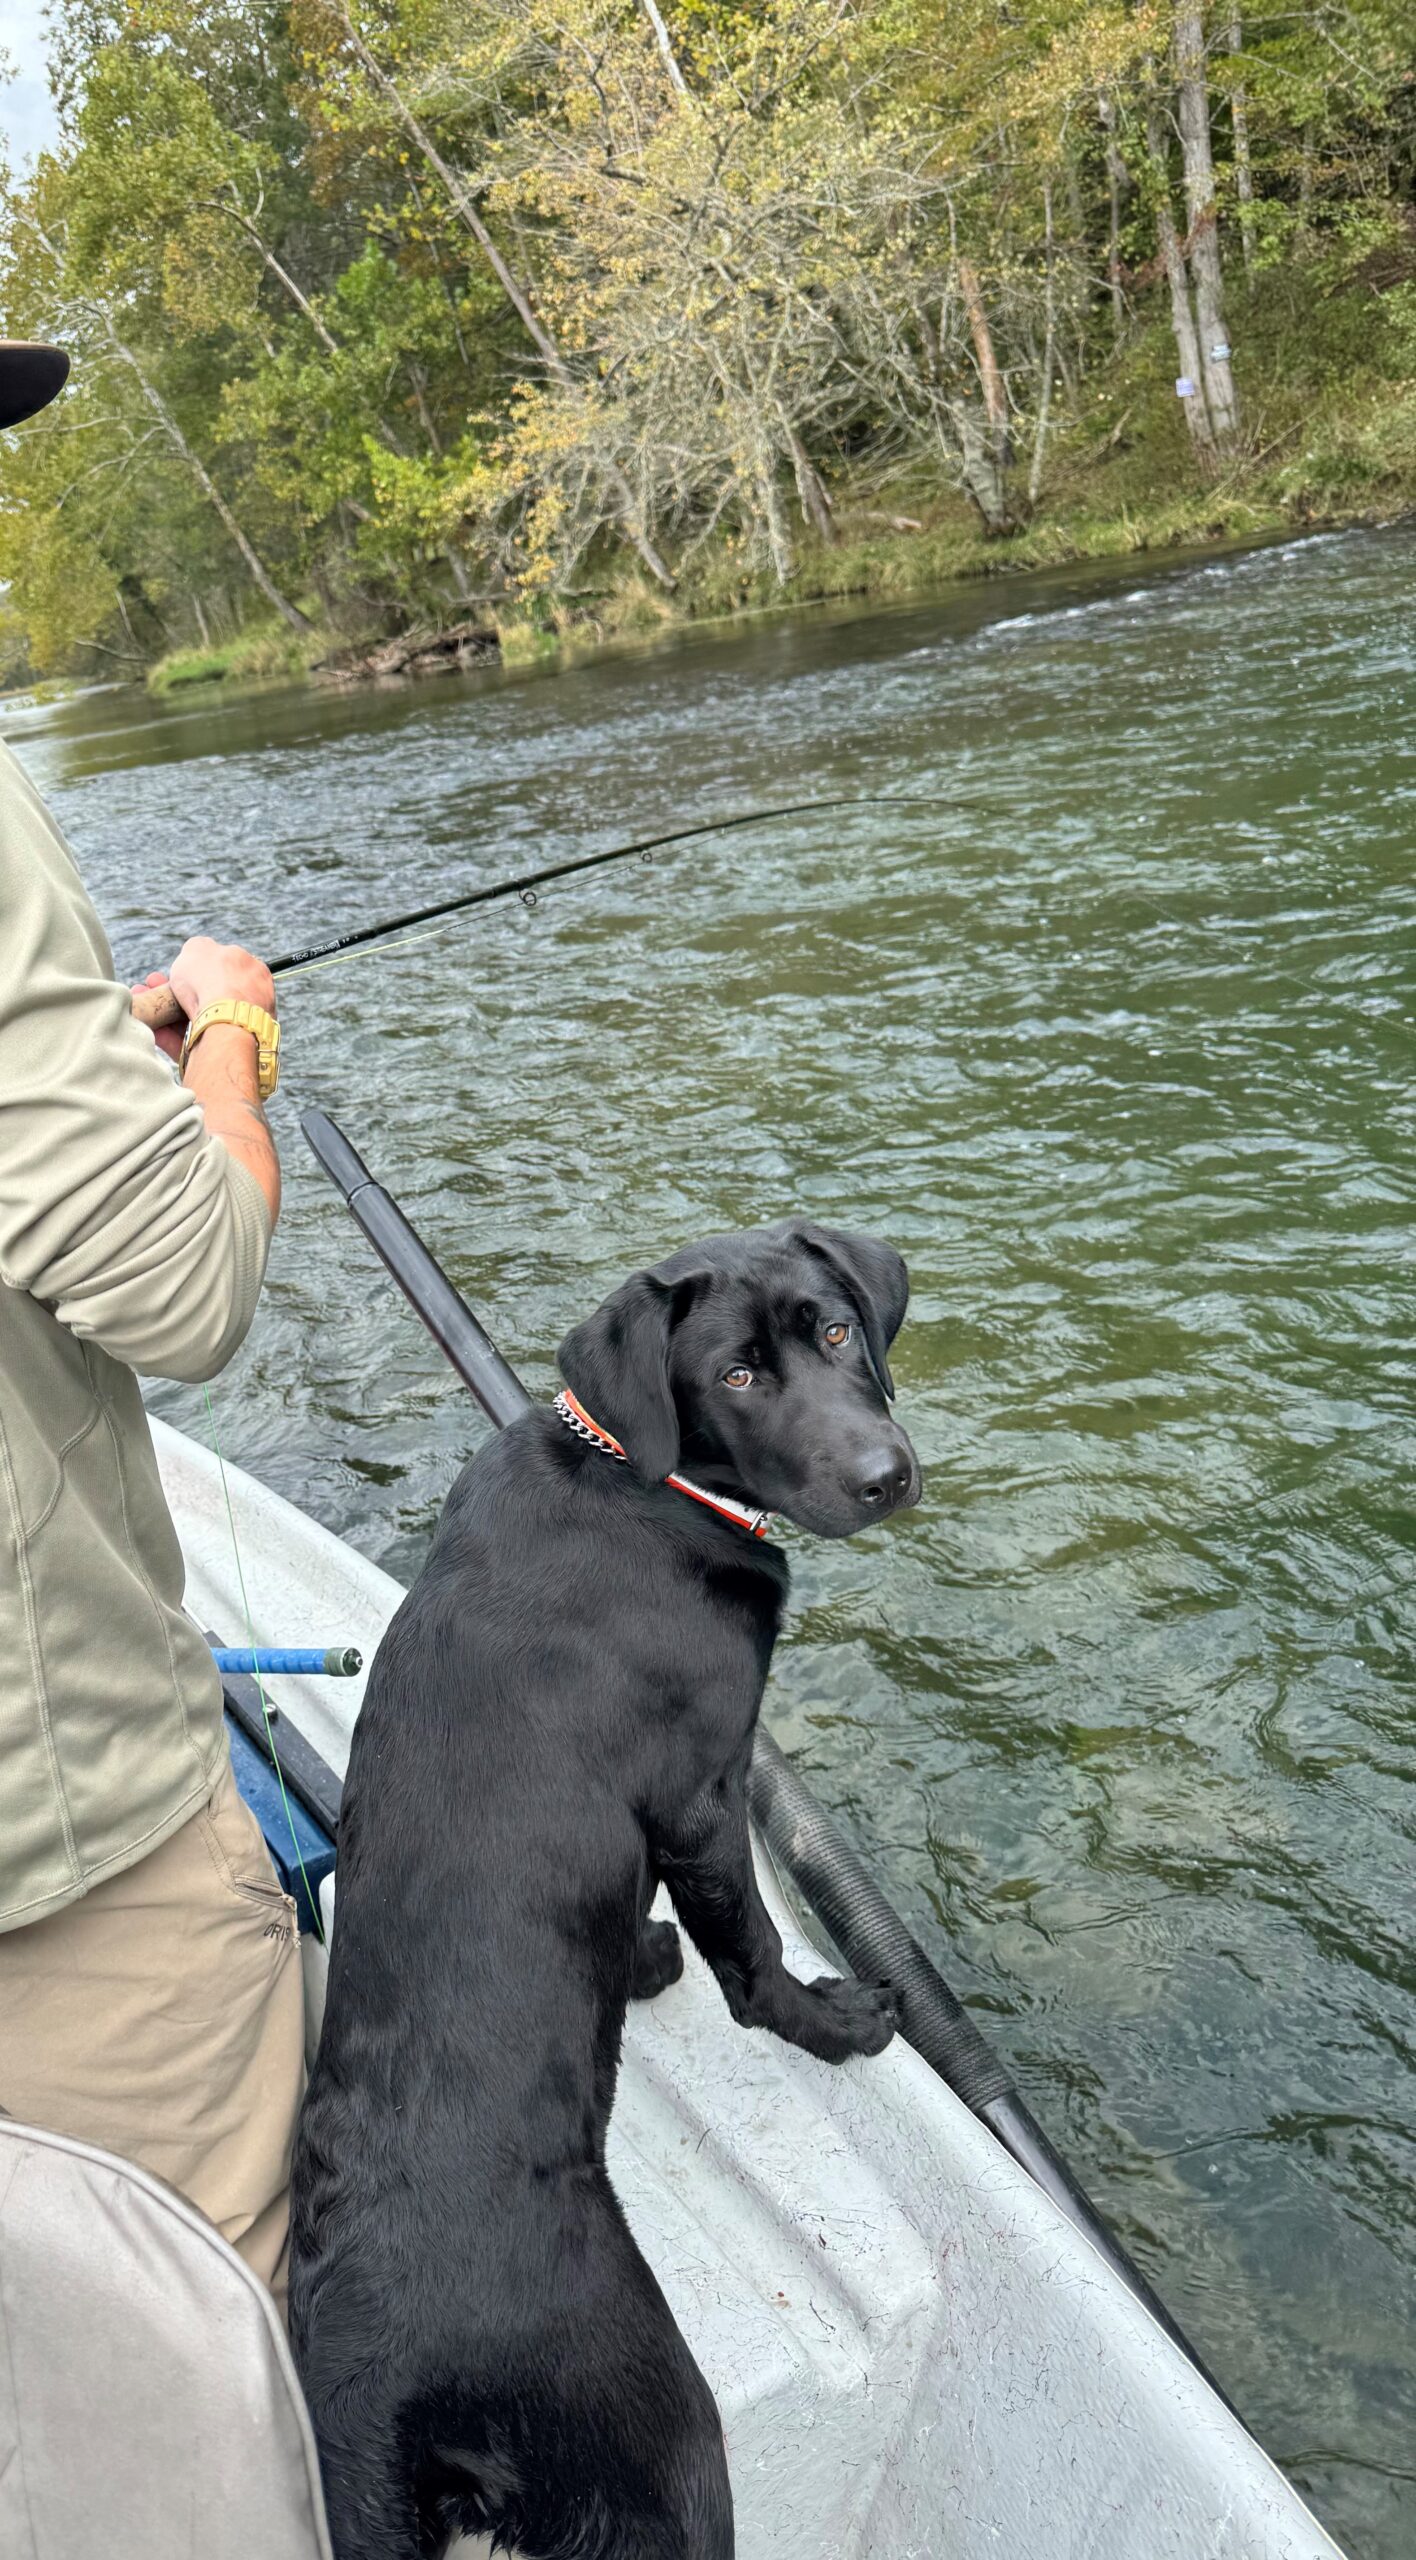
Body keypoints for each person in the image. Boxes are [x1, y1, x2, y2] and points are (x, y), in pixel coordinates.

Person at [0, 339, 304, 2306]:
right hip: (59, 1873)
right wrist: (229, 1044)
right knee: (197, 2374)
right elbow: (184, 1277)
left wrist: (87, 1061)